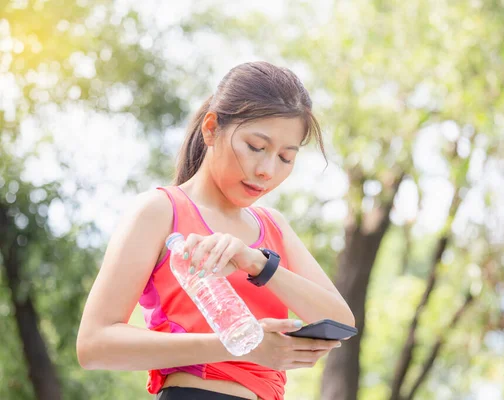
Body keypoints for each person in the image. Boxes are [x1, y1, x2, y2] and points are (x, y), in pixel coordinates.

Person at [76, 61, 355, 400]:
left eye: (285, 157)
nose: (267, 170)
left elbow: (341, 322)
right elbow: (93, 345)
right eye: (255, 146)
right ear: (211, 129)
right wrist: (239, 346)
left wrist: (256, 263)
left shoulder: (272, 226)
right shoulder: (161, 211)